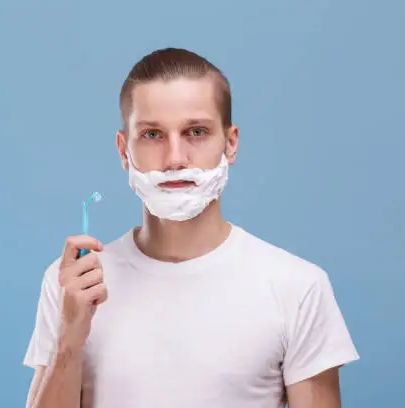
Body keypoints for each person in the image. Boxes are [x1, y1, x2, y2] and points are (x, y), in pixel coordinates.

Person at [22, 47, 359, 408]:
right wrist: (69, 341)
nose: (175, 159)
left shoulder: (297, 287)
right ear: (124, 150)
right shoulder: (75, 284)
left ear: (230, 144)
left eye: (196, 132)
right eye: (152, 135)